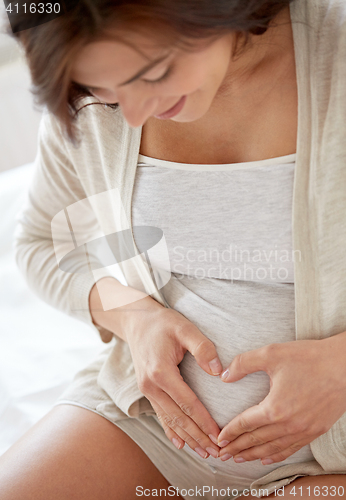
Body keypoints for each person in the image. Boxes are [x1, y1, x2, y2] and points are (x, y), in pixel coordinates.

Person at [1, 0, 346, 498]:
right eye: (108, 92)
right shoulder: (90, 97)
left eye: (154, 72)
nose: (134, 112)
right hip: (152, 427)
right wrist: (132, 317)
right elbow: (43, 242)